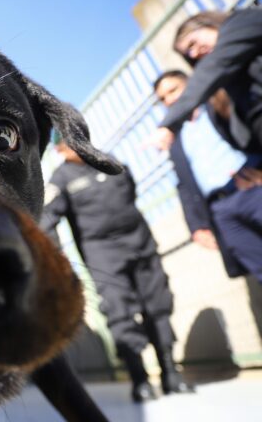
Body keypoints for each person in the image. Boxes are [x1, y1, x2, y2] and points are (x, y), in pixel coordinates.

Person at [40, 142, 195, 402]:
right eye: (66, 145)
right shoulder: (61, 179)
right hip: (102, 253)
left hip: (140, 241)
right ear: (59, 151)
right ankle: (140, 380)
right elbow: (47, 219)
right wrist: (56, 254)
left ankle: (170, 375)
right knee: (119, 311)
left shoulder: (109, 160)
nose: (73, 148)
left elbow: (130, 190)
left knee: (158, 303)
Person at [154, 70, 262, 282]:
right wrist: (196, 226)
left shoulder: (219, 103)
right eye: (162, 98)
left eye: (173, 90)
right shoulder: (176, 141)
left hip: (252, 190)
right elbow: (183, 185)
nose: (169, 100)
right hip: (221, 210)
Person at [153, 8, 262, 153]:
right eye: (189, 55)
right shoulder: (226, 84)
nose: (194, 53)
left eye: (192, 43)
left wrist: (169, 123)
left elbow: (217, 63)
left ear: (206, 24)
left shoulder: (242, 21)